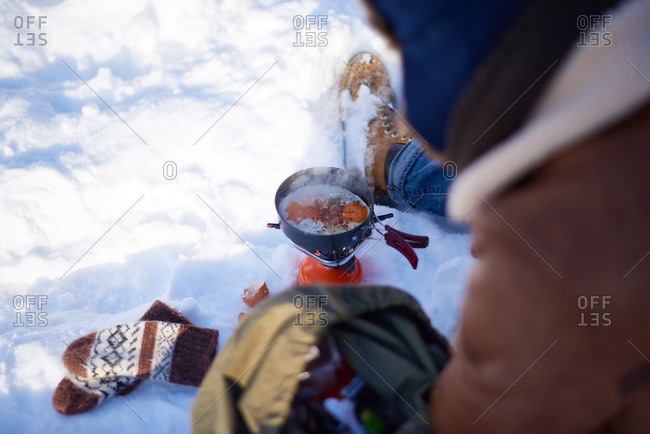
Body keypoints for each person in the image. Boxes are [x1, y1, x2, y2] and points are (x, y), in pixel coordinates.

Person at [356, 0, 650, 432]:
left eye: (417, 61)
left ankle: (397, 168)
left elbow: (472, 420)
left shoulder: (549, 271)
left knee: (509, 170)